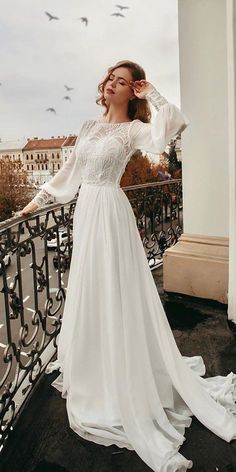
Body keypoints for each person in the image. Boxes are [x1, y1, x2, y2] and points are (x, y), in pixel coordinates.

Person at [18, 60, 236, 472]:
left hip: (112, 215)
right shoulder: (86, 128)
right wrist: (28, 208)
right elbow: (65, 177)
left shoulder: (134, 130)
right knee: (92, 288)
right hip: (87, 213)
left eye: (122, 81)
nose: (112, 85)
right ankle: (96, 366)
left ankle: (125, 371)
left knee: (116, 290)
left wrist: (150, 91)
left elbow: (174, 127)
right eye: (110, 78)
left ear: (129, 90)